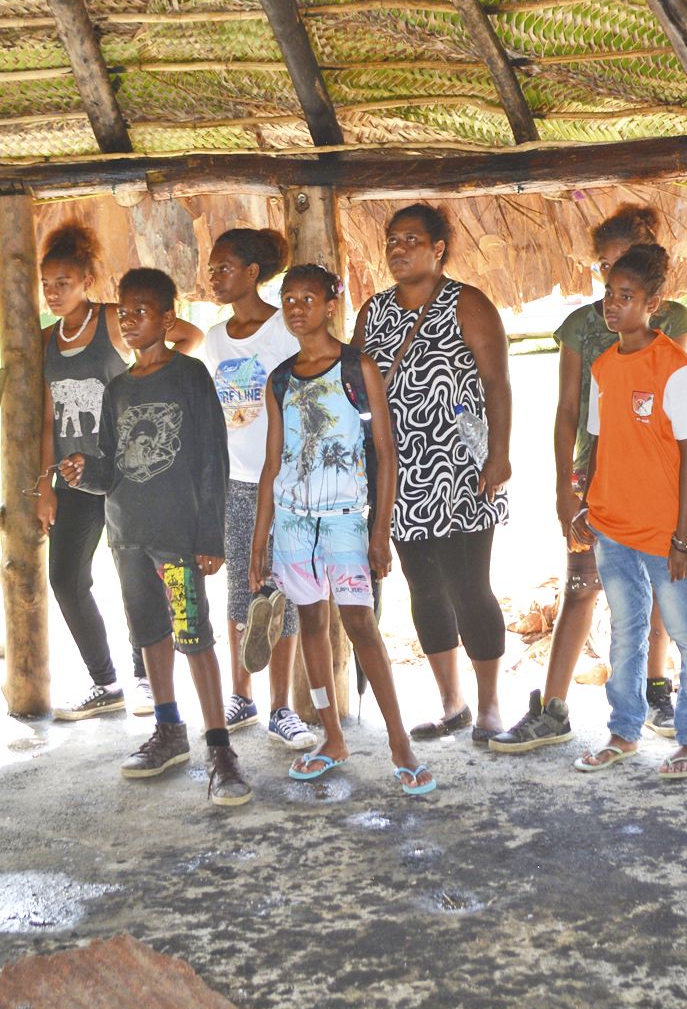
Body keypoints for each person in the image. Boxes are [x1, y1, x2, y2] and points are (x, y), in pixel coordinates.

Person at [491, 204, 687, 754]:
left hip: (655, 477)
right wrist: (566, 485)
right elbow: (566, 410)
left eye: (622, 268)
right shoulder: (582, 325)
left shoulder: (674, 321)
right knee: (582, 584)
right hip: (593, 474)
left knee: (656, 587)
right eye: (604, 270)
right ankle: (553, 707)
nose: (610, 286)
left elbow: (673, 413)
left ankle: (656, 690)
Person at [57, 268, 250, 806]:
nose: (128, 319)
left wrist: (210, 535)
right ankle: (169, 731)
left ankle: (220, 748)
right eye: (122, 311)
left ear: (167, 319)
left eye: (140, 310)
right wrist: (83, 471)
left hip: (177, 539)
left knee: (194, 637)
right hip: (128, 537)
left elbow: (215, 457)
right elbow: (110, 468)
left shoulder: (189, 375)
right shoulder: (117, 388)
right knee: (149, 636)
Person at [248, 264, 435, 796]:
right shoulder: (280, 378)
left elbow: (384, 452)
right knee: (311, 626)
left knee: (360, 625)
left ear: (331, 304)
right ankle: (332, 737)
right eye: (288, 298)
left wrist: (380, 531)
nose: (296, 307)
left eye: (308, 297)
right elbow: (272, 463)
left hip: (346, 521)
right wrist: (259, 540)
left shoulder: (357, 367)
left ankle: (400, 743)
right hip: (292, 523)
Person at [354, 203, 511, 741]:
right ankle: (452, 705)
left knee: (470, 587)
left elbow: (497, 383)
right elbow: (355, 390)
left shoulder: (467, 303)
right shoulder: (372, 311)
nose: (397, 249)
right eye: (392, 239)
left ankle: (490, 707)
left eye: (411, 240)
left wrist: (500, 454)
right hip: (397, 472)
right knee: (423, 588)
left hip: (459, 467)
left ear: (438, 248)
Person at [35, 223, 201, 721]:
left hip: (126, 473)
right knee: (65, 579)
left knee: (137, 579)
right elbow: (47, 417)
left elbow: (188, 335)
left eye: (64, 282)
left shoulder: (114, 321)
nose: (54, 292)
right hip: (76, 480)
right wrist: (46, 484)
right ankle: (105, 682)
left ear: (88, 279)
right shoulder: (45, 340)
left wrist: (148, 380)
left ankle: (145, 677)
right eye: (46, 284)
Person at [567, 243, 687, 780]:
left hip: (663, 532)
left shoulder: (672, 365)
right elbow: (602, 443)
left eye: (626, 297)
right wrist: (588, 504)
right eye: (609, 294)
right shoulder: (604, 366)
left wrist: (683, 536)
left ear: (652, 304)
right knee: (624, 633)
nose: (613, 305)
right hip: (613, 527)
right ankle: (623, 733)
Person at [198, 227, 314, 752]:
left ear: (251, 273)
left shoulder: (283, 332)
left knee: (280, 590)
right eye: (212, 268)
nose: (214, 275)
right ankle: (240, 695)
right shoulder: (216, 338)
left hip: (284, 483)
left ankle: (280, 707)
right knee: (238, 593)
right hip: (233, 481)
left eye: (224, 267)